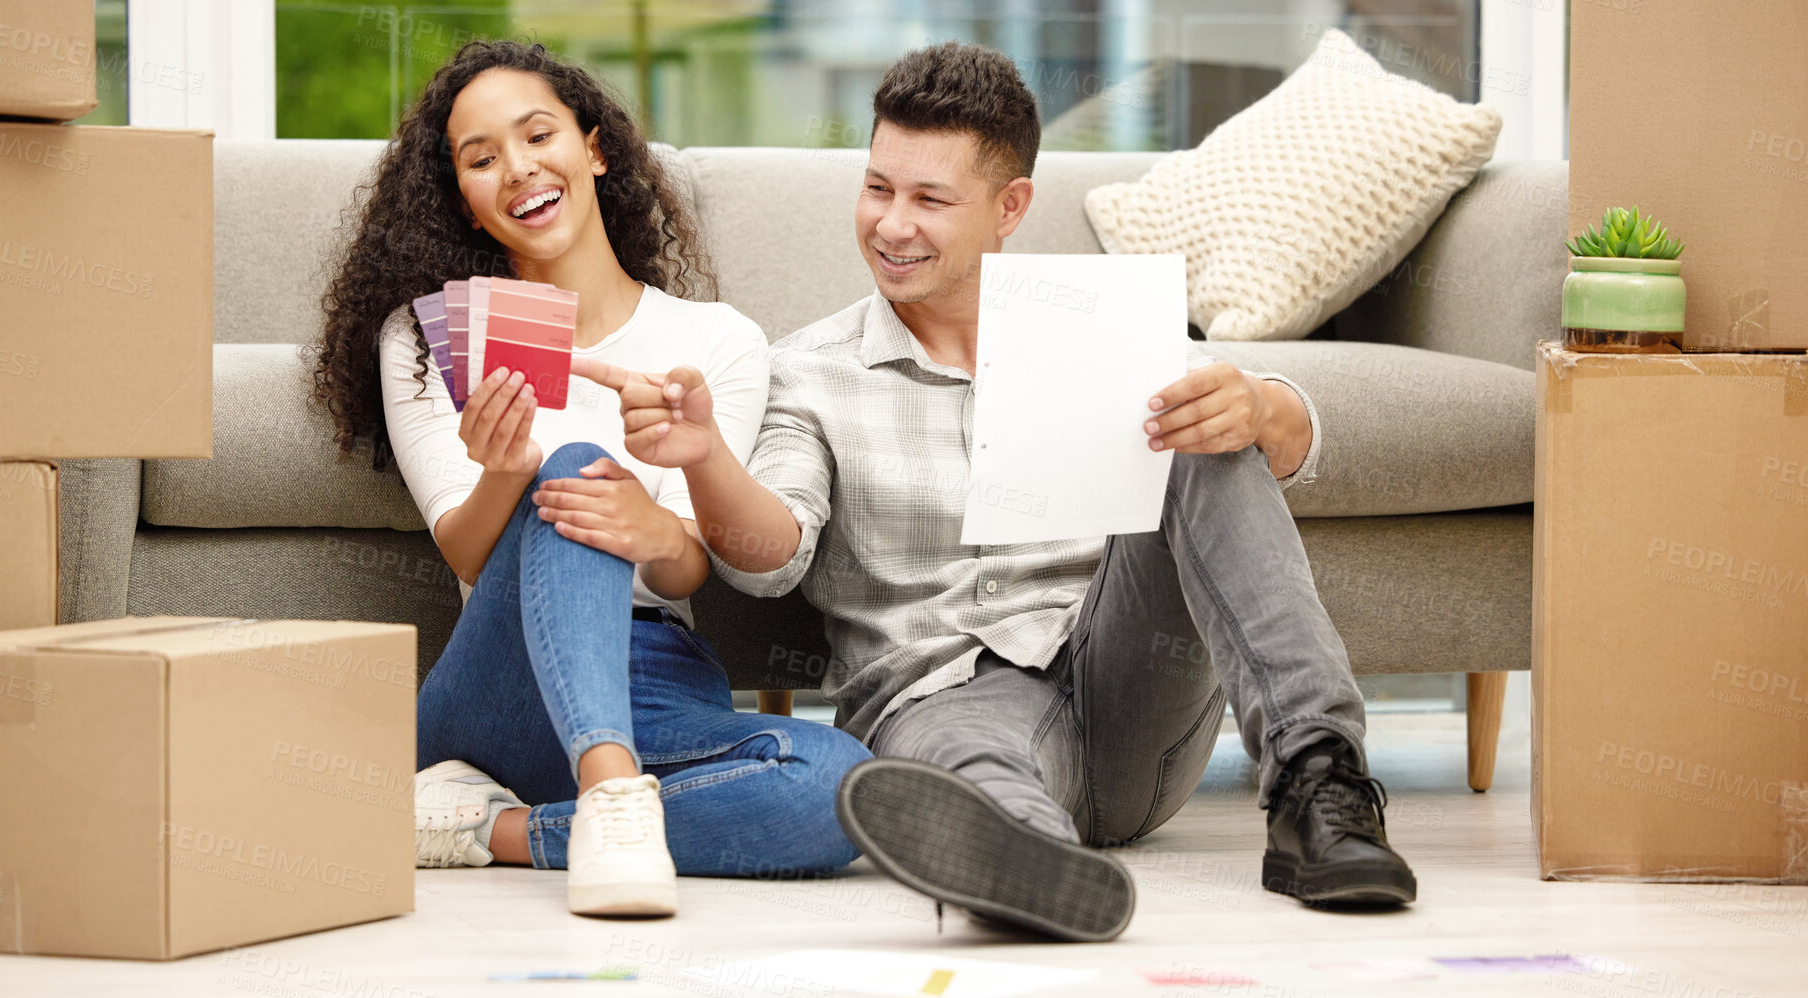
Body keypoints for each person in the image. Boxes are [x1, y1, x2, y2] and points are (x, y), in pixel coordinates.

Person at [572, 42, 1414, 941]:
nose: (892, 225)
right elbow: (769, 559)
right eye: (877, 188)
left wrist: (1259, 402)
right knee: (962, 758)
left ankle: (1318, 783)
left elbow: (1277, 447)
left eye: (931, 199)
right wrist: (704, 460)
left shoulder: (1101, 331)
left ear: (1009, 206)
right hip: (941, 700)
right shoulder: (807, 373)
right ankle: (1026, 859)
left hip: (1128, 690)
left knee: (1203, 434)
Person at [307, 39, 869, 919]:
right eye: (480, 158)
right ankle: (610, 793)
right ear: (462, 197)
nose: (519, 169)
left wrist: (659, 529)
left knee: (839, 783)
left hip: (657, 677)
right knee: (572, 468)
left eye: (539, 136)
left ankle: (489, 829)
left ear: (595, 150)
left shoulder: (716, 339)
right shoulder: (426, 339)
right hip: (501, 687)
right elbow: (463, 550)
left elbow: (690, 573)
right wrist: (510, 473)